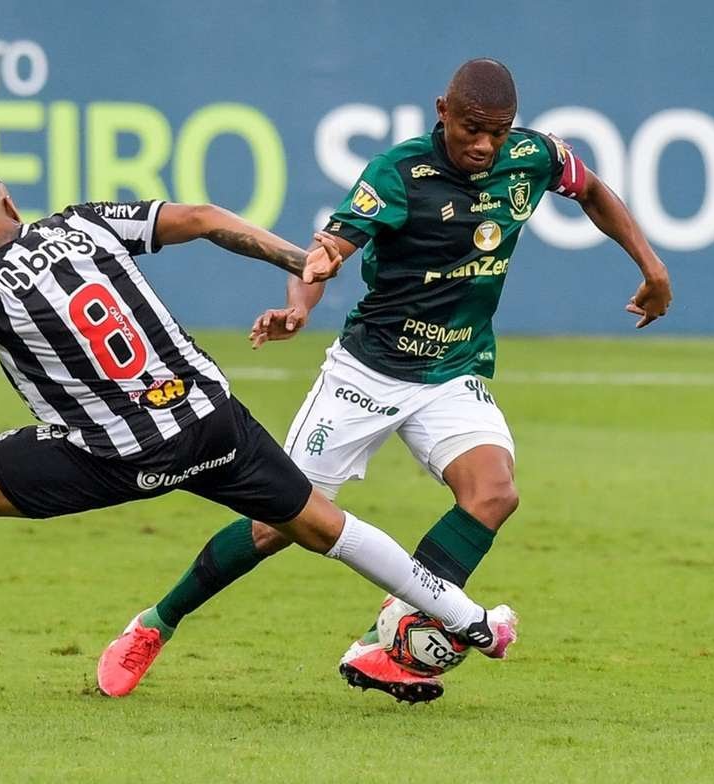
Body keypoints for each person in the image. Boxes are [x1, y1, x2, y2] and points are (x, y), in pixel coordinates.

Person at [0, 171, 519, 711]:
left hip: (106, 459)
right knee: (325, 527)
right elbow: (209, 219)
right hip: (213, 428)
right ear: (15, 205)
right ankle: (471, 620)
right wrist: (300, 260)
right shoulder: (84, 222)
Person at [97, 58, 673, 703]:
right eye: (472, 129)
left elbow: (591, 189)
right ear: (442, 112)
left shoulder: (533, 156)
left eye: (498, 132)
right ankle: (156, 623)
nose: (484, 145)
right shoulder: (397, 174)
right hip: (366, 375)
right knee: (276, 522)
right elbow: (328, 251)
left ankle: (388, 642)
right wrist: (301, 306)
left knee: (493, 494)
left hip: (453, 372)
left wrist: (651, 267)